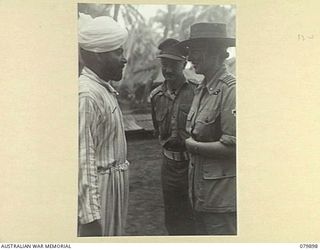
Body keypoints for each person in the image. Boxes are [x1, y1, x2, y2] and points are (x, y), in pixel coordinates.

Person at [177, 23, 237, 235]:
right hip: (201, 194)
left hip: (221, 199)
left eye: (196, 50)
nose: (190, 57)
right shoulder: (202, 88)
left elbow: (235, 148)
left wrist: (193, 146)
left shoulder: (231, 90)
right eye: (189, 51)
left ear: (216, 52)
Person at [78, 13, 129, 237]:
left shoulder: (103, 89)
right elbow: (82, 157)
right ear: (98, 56)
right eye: (119, 52)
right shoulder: (86, 94)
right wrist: (89, 216)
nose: (124, 59)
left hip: (113, 186)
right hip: (100, 191)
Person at [150, 38, 195, 235]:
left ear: (184, 64)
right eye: (164, 64)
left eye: (173, 64)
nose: (167, 69)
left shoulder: (196, 92)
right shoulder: (156, 96)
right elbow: (157, 130)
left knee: (195, 216)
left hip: (192, 165)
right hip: (168, 167)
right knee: (173, 218)